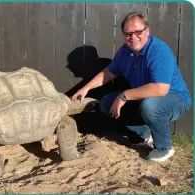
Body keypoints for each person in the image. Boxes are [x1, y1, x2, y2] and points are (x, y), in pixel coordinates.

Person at [71, 12, 191, 162]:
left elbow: (161, 89)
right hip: (145, 99)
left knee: (150, 105)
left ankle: (164, 148)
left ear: (147, 30)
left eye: (138, 32)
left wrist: (124, 96)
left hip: (175, 99)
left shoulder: (159, 50)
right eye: (128, 34)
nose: (133, 37)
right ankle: (143, 134)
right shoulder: (125, 52)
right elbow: (109, 72)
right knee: (107, 103)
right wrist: (85, 88)